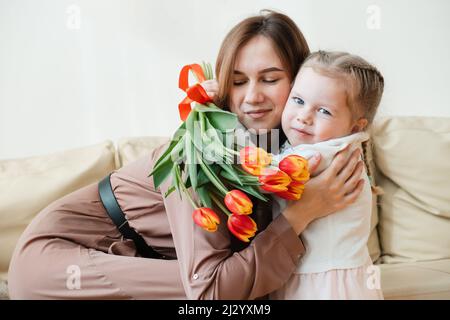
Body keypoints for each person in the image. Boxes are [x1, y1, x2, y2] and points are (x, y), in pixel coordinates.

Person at [8, 11, 365, 300]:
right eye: (238, 81)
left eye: (269, 79)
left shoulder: (282, 149)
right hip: (57, 261)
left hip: (130, 259)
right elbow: (211, 289)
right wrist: (302, 215)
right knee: (222, 296)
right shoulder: (203, 150)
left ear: (299, 80)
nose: (251, 97)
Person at [270, 51, 384, 299]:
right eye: (298, 100)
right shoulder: (328, 145)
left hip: (325, 285)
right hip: (333, 274)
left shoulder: (328, 155)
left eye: (323, 111)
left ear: (355, 126)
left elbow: (263, 175)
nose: (304, 117)